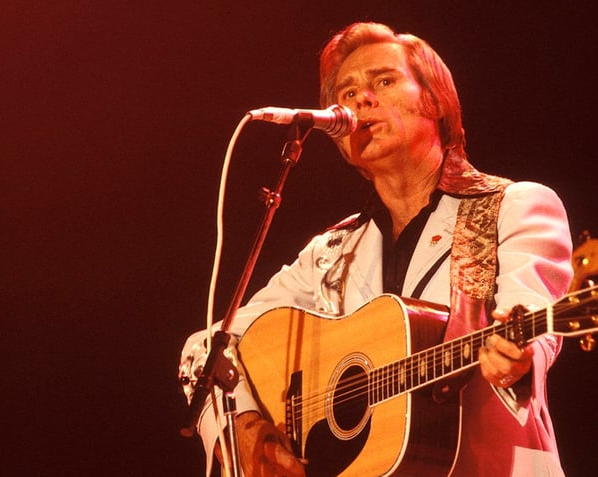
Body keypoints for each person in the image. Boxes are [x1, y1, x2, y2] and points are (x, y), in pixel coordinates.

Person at [179, 21, 573, 477]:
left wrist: (519, 356)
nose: (360, 100)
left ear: (435, 101)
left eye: (383, 81)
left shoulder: (515, 205)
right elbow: (204, 351)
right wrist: (246, 426)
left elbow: (533, 318)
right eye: (345, 94)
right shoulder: (331, 253)